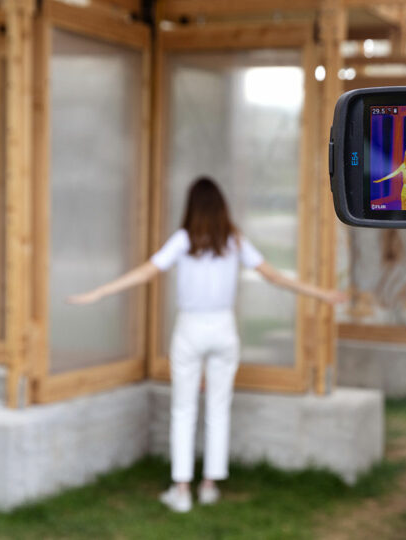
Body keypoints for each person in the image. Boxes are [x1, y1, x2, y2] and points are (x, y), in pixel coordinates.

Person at [68, 177, 346, 513]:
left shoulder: (184, 240)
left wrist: (99, 292)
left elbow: (146, 272)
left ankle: (181, 490)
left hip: (190, 328)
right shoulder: (234, 240)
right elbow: (274, 276)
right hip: (224, 330)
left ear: (191, 207)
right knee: (218, 408)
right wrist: (321, 294)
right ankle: (210, 486)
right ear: (221, 207)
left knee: (183, 409)